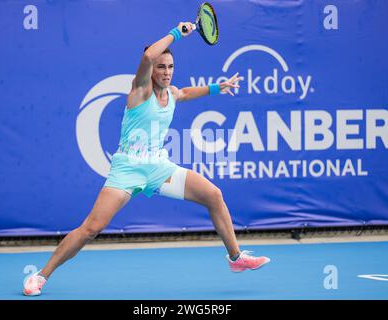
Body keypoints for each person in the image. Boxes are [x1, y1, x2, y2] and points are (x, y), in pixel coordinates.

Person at [23, 22, 270, 296]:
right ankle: (41, 276)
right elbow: (147, 56)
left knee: (213, 194)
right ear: (151, 70)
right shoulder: (140, 90)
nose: (166, 72)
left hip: (158, 167)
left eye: (170, 67)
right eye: (161, 67)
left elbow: (186, 92)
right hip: (127, 169)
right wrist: (177, 32)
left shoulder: (172, 93)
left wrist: (217, 87)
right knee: (92, 228)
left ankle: (236, 259)